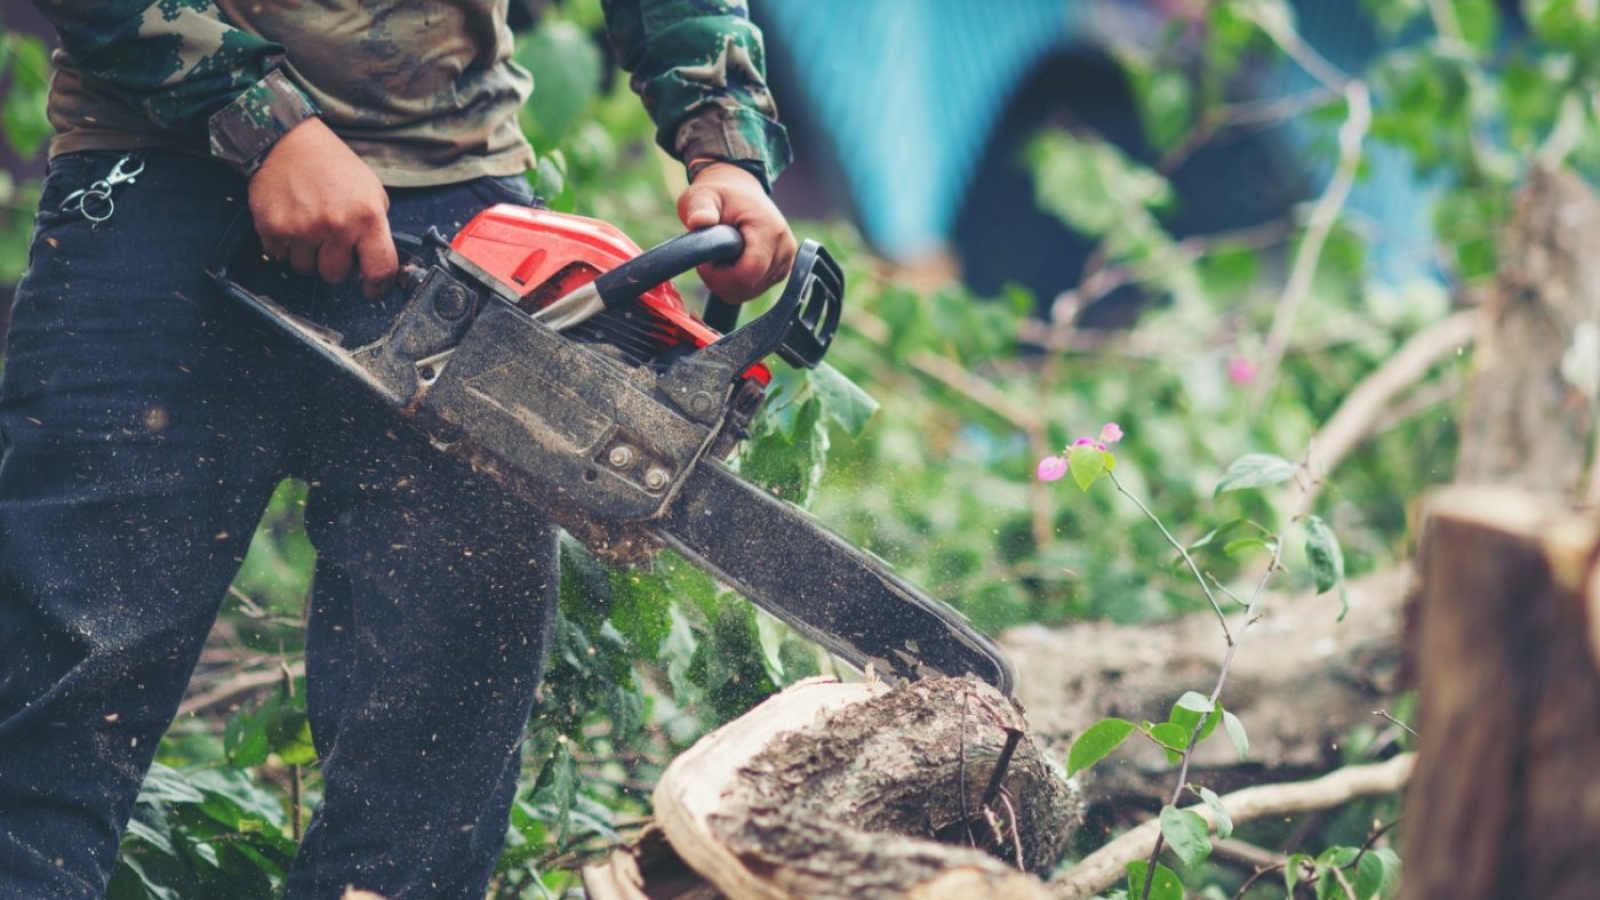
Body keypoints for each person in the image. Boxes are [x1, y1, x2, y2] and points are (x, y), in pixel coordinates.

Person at [0, 2, 796, 898]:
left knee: (430, 765)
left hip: (459, 205)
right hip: (155, 184)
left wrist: (723, 139)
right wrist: (262, 120)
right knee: (54, 707)